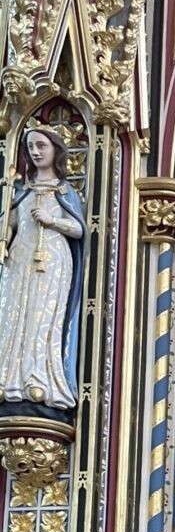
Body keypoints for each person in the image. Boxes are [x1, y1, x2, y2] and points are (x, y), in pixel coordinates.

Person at [0, 126, 86, 409]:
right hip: (19, 259)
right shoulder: (21, 191)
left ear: (56, 150)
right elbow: (10, 225)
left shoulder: (64, 192)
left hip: (52, 263)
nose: (36, 152)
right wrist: (5, 239)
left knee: (41, 319)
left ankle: (40, 377)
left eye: (42, 146)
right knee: (14, 318)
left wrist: (53, 220)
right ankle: (8, 375)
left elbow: (78, 229)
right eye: (31, 147)